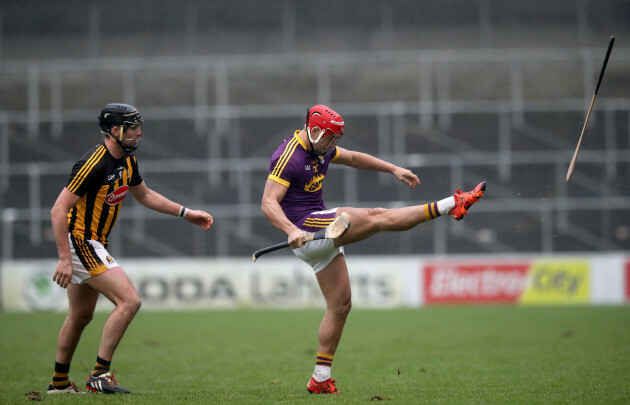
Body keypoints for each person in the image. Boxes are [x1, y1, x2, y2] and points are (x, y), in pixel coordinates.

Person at [261, 104, 486, 394]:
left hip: (320, 235)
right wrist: (292, 230)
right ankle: (452, 205)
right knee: (380, 216)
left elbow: (353, 158)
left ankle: (319, 377)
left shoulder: (320, 145)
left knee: (340, 305)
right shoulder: (288, 156)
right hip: (308, 229)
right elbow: (268, 203)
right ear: (314, 130)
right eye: (330, 139)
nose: (333, 145)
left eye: (334, 140)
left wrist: (392, 168)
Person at [47, 103, 214, 394]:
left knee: (81, 316)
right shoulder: (94, 163)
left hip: (93, 243)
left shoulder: (127, 161)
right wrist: (64, 258)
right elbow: (58, 210)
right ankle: (99, 374)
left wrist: (186, 212)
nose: (139, 132)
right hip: (81, 242)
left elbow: (145, 195)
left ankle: (59, 384)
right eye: (133, 127)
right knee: (130, 301)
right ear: (115, 130)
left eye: (139, 126)